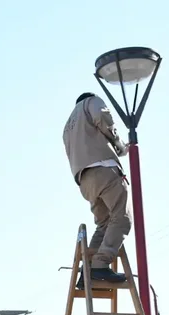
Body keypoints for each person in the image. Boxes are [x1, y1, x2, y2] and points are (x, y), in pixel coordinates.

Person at [63, 92, 132, 288]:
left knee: (104, 223)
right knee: (122, 218)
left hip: (85, 179)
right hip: (104, 169)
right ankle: (100, 264)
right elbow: (103, 117)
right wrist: (118, 144)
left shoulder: (68, 126)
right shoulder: (90, 103)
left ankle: (87, 272)